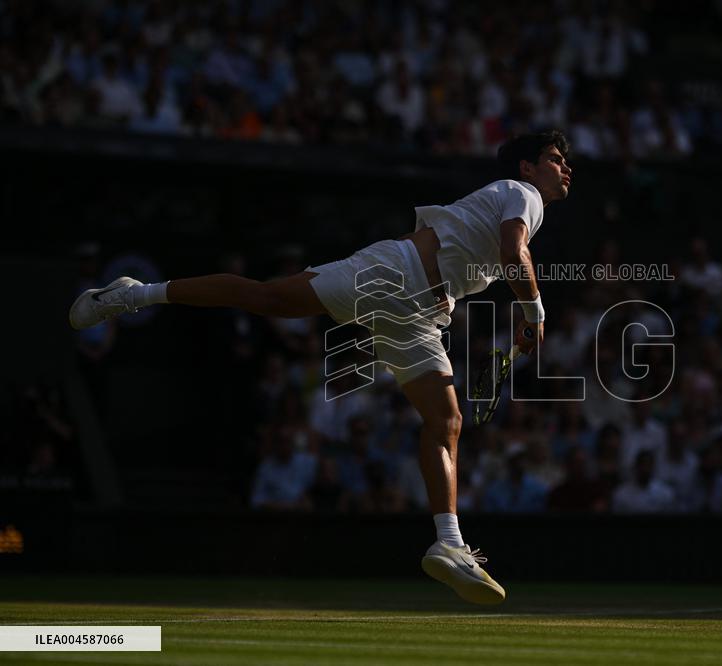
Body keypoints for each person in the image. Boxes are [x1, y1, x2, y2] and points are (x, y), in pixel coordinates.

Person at [68, 131, 573, 605]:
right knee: (267, 298)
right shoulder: (521, 191)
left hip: (424, 313)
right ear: (528, 166)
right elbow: (514, 252)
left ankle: (448, 543)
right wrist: (535, 313)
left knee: (447, 421)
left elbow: (501, 255)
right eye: (554, 158)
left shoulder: (518, 203)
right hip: (392, 275)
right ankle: (134, 294)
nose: (564, 167)